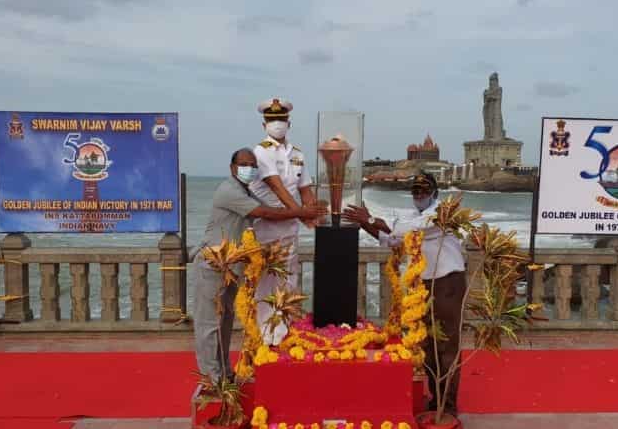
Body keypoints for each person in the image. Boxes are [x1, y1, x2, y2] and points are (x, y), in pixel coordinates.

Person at [191, 148, 326, 384]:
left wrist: (305, 214)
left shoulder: (246, 191)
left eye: (254, 166)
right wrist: (302, 212)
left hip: (230, 267)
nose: (250, 169)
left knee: (225, 322)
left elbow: (275, 210)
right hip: (213, 264)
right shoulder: (229, 190)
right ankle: (211, 379)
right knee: (209, 324)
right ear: (232, 167)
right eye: (244, 164)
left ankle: (225, 374)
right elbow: (263, 212)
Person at [341, 172, 467, 414]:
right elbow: (393, 240)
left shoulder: (442, 213)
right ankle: (436, 399)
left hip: (447, 283)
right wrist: (365, 224)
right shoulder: (411, 216)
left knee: (446, 344)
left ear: (435, 192)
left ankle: (448, 406)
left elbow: (411, 229)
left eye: (424, 190)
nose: (419, 194)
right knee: (427, 344)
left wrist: (372, 218)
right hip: (423, 285)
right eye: (415, 190)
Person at [249, 97, 318, 345]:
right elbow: (277, 187)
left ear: (289, 123)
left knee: (289, 282)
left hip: (289, 231)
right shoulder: (260, 151)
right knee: (266, 285)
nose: (276, 123)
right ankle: (266, 337)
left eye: (280, 119)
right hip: (266, 231)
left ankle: (285, 333)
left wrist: (315, 216)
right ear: (264, 125)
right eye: (272, 120)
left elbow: (305, 188)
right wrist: (303, 214)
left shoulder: (297, 153)